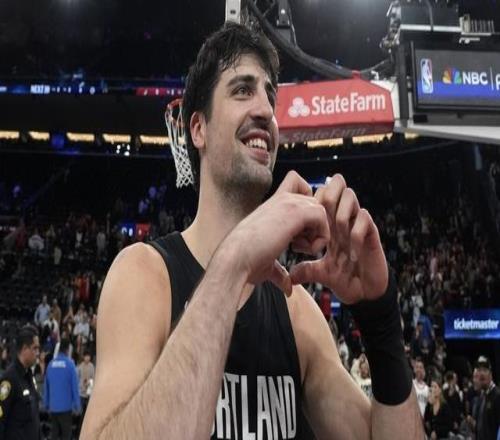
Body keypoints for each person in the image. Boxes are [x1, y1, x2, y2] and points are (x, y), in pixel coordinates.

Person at [81, 22, 423, 439]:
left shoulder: (297, 312)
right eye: (243, 90)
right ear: (198, 129)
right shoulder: (143, 276)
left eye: (269, 96)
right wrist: (234, 261)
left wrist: (381, 319)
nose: (265, 110)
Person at [0, 326, 40, 440]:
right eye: (35, 348)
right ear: (24, 349)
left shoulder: (29, 376)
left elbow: (34, 419)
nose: (38, 353)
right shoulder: (9, 379)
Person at [43, 338, 81, 440]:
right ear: (68, 349)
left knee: (54, 435)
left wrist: (45, 404)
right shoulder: (70, 365)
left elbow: (46, 386)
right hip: (66, 408)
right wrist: (77, 406)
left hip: (53, 407)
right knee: (66, 435)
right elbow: (75, 387)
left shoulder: (50, 365)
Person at [475, 356, 500, 440]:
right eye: (479, 370)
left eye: (485, 370)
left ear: (491, 375)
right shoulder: (483, 396)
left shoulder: (497, 395)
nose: (482, 373)